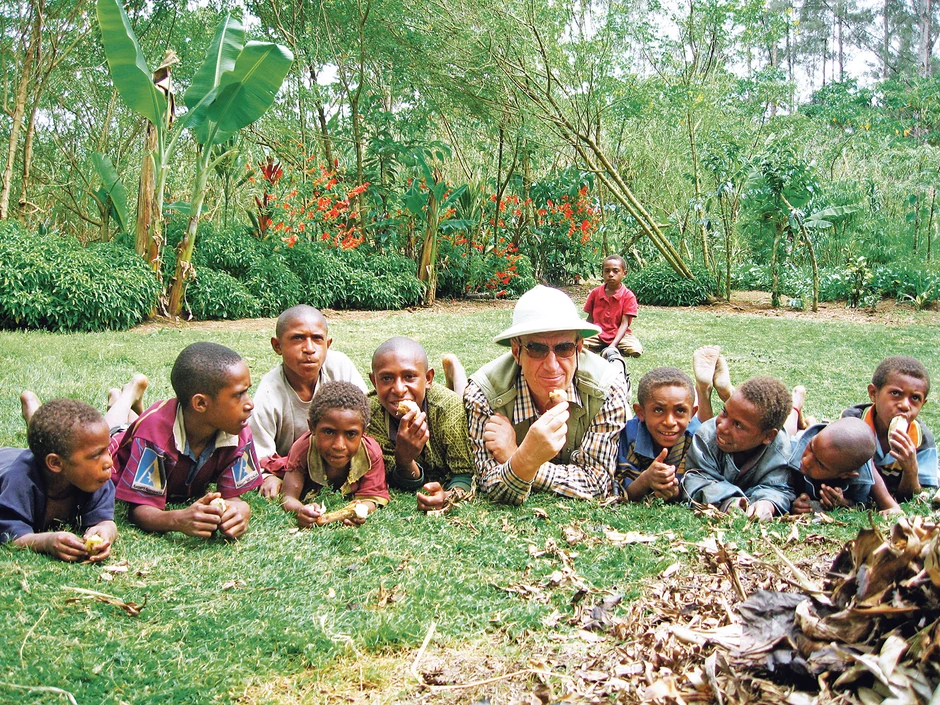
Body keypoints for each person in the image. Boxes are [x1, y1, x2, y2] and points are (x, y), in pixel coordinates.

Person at [465, 285, 630, 505]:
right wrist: (526, 460)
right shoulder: (484, 394)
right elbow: (488, 482)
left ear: (579, 348)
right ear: (517, 352)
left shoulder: (607, 388)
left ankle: (614, 357)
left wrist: (521, 458)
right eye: (536, 349)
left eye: (564, 348)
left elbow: (597, 483)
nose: (552, 366)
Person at [110, 342, 261, 538]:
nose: (250, 403)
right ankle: (125, 395)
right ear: (200, 403)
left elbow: (234, 498)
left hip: (161, 428)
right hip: (120, 445)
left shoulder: (237, 428)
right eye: (239, 394)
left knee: (142, 424)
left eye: (247, 391)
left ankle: (134, 408)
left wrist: (241, 511)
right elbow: (139, 511)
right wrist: (178, 520)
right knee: (112, 430)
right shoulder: (152, 437)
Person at [250, 305, 367, 498]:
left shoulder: (339, 367)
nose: (309, 349)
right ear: (277, 345)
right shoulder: (269, 392)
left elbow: (364, 419)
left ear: (328, 344)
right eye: (297, 338)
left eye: (317, 339)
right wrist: (268, 477)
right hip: (295, 467)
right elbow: (259, 454)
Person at [0, 399, 116, 562]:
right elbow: (10, 534)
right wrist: (46, 542)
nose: (109, 462)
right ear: (55, 463)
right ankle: (31, 406)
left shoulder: (95, 478)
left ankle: (32, 409)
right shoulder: (19, 483)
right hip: (5, 461)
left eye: (107, 450)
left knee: (53, 442)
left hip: (43, 460)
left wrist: (105, 532)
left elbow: (106, 521)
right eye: (96, 454)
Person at [368, 337, 474, 511]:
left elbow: (464, 473)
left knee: (464, 400)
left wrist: (448, 496)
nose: (399, 389)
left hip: (448, 402)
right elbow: (396, 477)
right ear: (374, 382)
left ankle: (455, 371)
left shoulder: (448, 409)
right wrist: (405, 459)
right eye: (386, 378)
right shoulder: (369, 416)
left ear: (428, 379)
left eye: (409, 377)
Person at [681, 376, 795, 521]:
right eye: (724, 412)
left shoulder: (780, 449)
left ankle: (797, 402)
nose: (722, 426)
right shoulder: (706, 435)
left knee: (793, 431)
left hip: (786, 438)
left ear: (768, 436)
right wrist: (729, 501)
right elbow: (696, 478)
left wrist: (767, 504)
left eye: (738, 425)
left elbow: (780, 488)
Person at [280, 381, 388, 527]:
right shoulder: (303, 449)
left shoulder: (370, 453)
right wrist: (301, 510)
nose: (339, 446)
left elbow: (372, 497)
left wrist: (360, 511)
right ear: (312, 427)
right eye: (329, 432)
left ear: (364, 432)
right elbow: (288, 497)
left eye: (351, 434)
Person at [841, 356, 937, 501]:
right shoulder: (853, 422)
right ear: (873, 393)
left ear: (923, 404)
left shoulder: (921, 438)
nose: (905, 405)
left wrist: (910, 470)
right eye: (896, 393)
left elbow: (910, 497)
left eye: (915, 398)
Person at [618, 367, 700, 502]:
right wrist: (646, 479)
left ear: (692, 413)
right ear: (641, 412)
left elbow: (699, 489)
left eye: (680, 411)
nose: (669, 422)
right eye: (658, 410)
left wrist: (674, 492)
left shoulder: (697, 438)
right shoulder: (630, 434)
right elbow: (623, 492)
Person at [787, 417, 893, 514]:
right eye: (810, 446)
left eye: (820, 464)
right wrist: (791, 502)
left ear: (846, 474)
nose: (805, 461)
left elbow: (860, 504)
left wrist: (844, 503)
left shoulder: (860, 479)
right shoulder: (794, 448)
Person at [583, 255, 642, 358]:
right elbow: (590, 319)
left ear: (624, 273)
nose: (611, 274)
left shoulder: (628, 296)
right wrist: (581, 335)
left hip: (621, 335)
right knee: (578, 344)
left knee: (635, 349)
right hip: (598, 333)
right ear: (602, 273)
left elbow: (625, 323)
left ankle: (611, 348)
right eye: (607, 271)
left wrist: (613, 344)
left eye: (615, 271)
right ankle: (603, 347)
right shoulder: (595, 293)